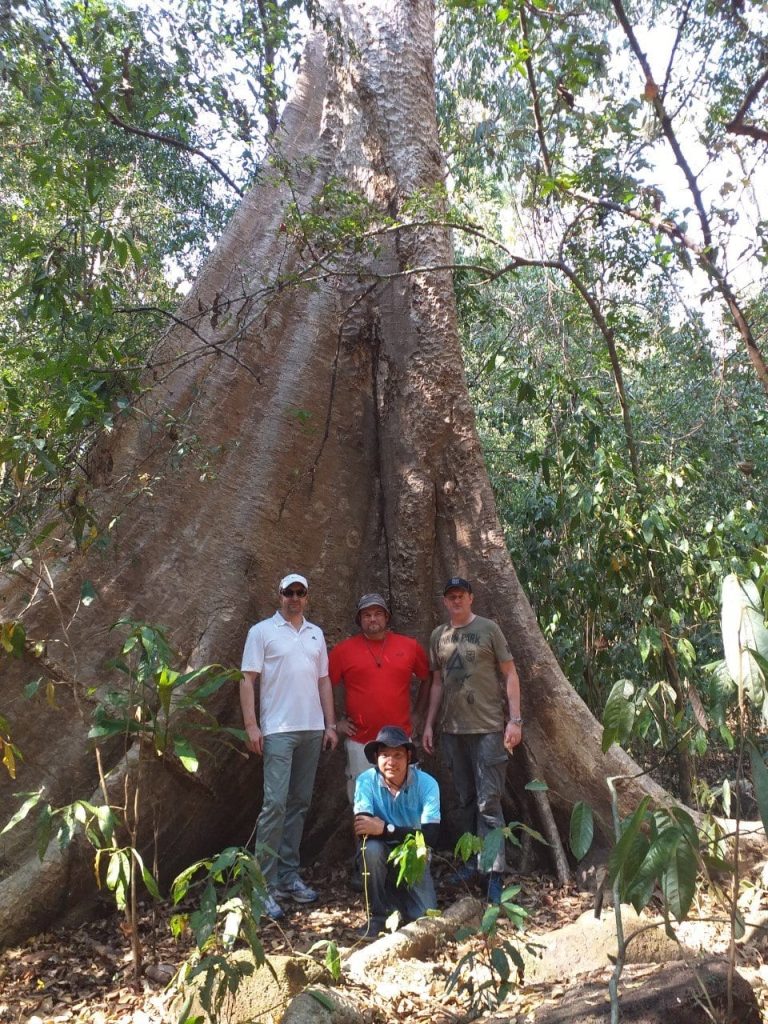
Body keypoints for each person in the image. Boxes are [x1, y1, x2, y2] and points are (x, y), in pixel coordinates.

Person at [239, 572, 338, 920]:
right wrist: (252, 725)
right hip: (278, 729)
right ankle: (261, 886)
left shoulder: (315, 634)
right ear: (279, 595)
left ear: (307, 597)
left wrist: (330, 723)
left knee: (298, 804)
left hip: (311, 728)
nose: (294, 598)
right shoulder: (262, 632)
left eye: (300, 592)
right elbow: (247, 680)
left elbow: (324, 681)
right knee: (274, 805)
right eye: (288, 592)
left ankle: (287, 876)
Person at [422, 577, 521, 905]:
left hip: (489, 730)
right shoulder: (439, 636)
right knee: (464, 801)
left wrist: (515, 721)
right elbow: (436, 684)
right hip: (453, 732)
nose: (455, 601)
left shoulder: (489, 629)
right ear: (445, 601)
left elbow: (510, 673)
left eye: (460, 596)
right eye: (450, 597)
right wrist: (428, 724)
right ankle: (471, 863)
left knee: (488, 803)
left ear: (470, 598)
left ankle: (494, 873)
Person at [329, 593, 430, 803]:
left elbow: (427, 678)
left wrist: (419, 713)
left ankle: (401, 836)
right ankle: (364, 838)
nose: (372, 619)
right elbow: (323, 685)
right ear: (359, 620)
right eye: (366, 615)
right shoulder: (342, 651)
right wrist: (334, 723)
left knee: (403, 801)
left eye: (377, 614)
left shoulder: (409, 647)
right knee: (362, 803)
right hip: (360, 742)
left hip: (400, 742)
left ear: (386, 618)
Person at [353, 725, 440, 938]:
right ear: (376, 757)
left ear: (409, 757)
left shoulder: (427, 784)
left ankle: (395, 899)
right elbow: (363, 829)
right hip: (380, 851)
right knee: (371, 850)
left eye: (398, 755)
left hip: (412, 854)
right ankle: (377, 917)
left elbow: (430, 836)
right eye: (384, 755)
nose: (391, 761)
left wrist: (384, 828)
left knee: (425, 916)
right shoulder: (365, 780)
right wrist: (396, 833)